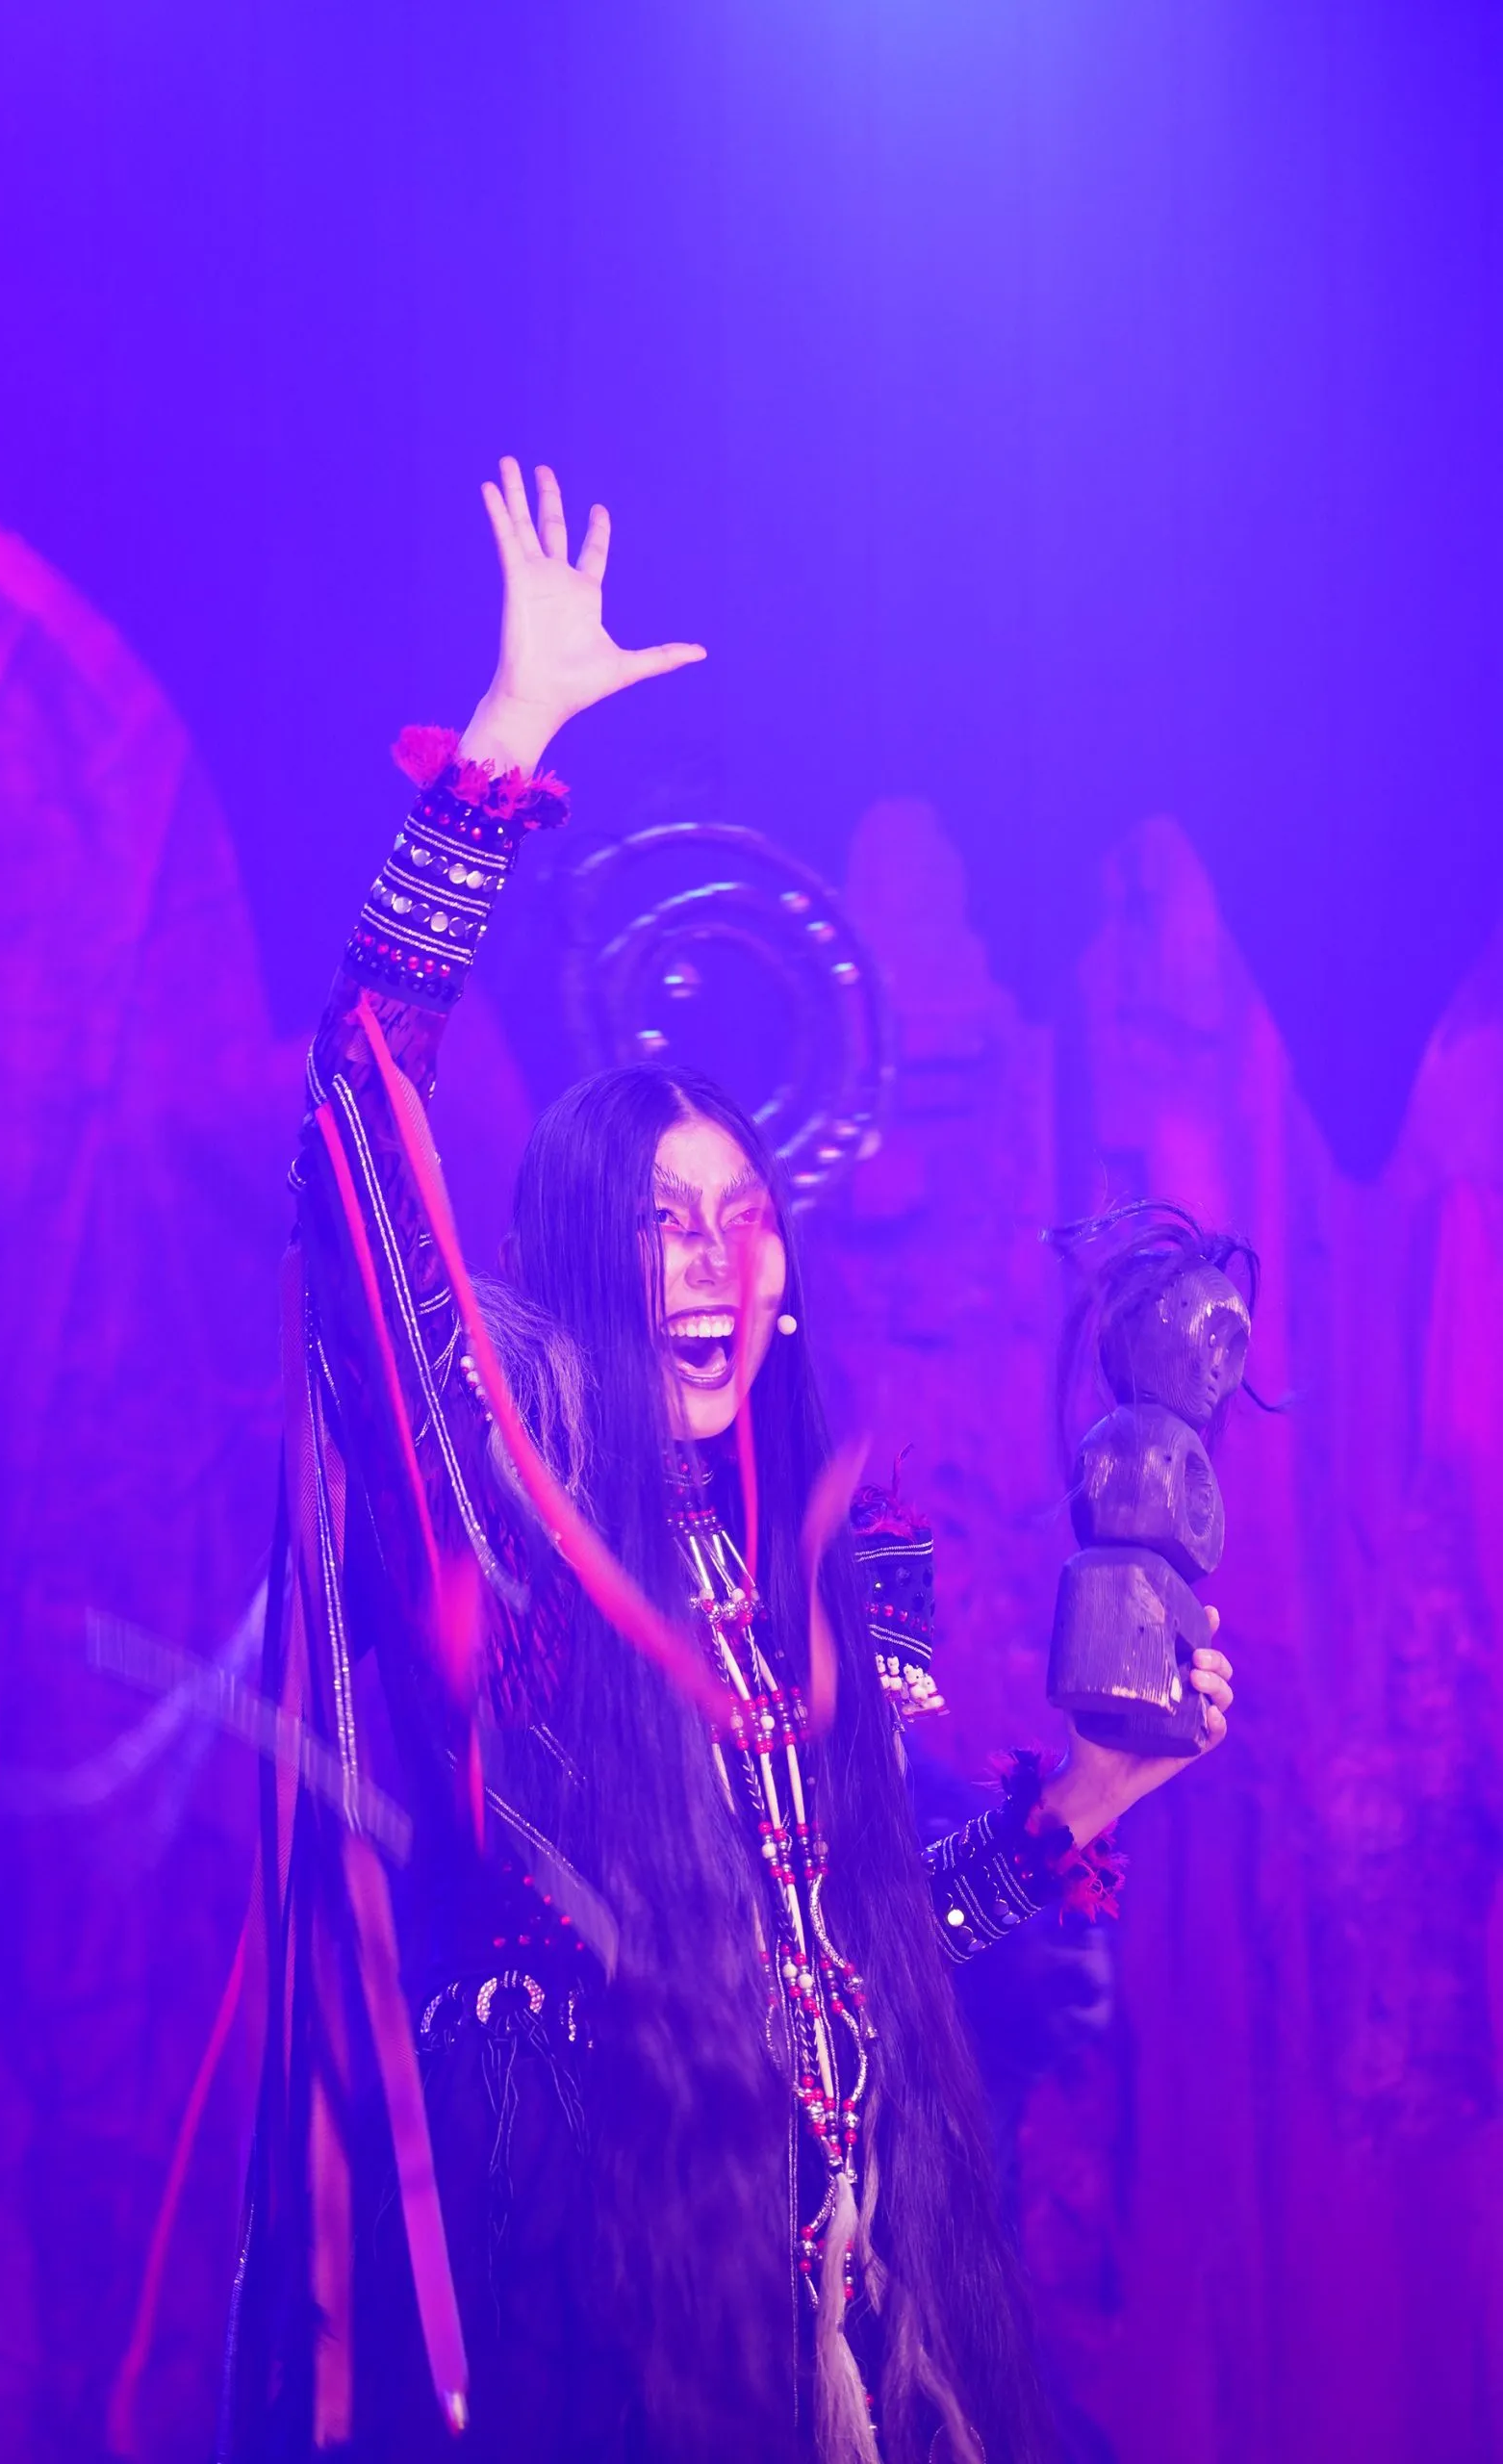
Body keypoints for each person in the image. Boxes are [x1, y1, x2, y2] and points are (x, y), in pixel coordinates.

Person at [218, 460, 1236, 2464]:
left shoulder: (827, 1567)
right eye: (661, 1223)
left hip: (848, 2307)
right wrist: (500, 751)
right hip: (597, 2304)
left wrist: (1097, 1789)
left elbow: (878, 1946)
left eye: (741, 1219)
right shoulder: (512, 1545)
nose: (711, 1260)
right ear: (591, 1262)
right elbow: (352, 1135)